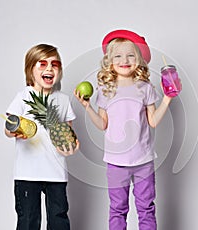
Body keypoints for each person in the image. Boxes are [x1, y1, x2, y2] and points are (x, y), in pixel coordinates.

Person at [74, 29, 177, 230]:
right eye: (118, 56)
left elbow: (153, 121)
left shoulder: (145, 88)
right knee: (118, 209)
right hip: (115, 162)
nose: (125, 60)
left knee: (146, 208)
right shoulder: (106, 89)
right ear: (110, 61)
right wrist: (88, 107)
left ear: (139, 59)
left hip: (143, 161)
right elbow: (103, 124)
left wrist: (167, 98)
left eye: (130, 55)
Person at [4, 43, 79, 230]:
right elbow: (8, 126)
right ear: (30, 70)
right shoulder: (23, 96)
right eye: (42, 64)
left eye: (55, 64)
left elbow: (69, 131)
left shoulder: (62, 99)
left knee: (59, 219)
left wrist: (72, 145)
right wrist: (12, 131)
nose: (49, 68)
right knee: (28, 220)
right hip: (27, 172)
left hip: (56, 171)